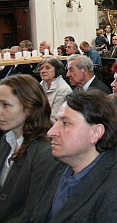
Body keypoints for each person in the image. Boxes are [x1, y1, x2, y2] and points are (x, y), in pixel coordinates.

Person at [31, 90, 117, 222]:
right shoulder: (55, 167)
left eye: (65, 123)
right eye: (56, 122)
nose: (51, 132)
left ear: (96, 133)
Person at [0, 75, 63, 223]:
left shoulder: (46, 152)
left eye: (6, 105)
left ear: (28, 108)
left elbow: (33, 214)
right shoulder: (6, 140)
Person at [38, 57, 73, 123]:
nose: (43, 71)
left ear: (57, 70)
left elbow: (55, 118)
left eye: (48, 68)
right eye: (41, 68)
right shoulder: (42, 84)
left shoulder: (63, 89)